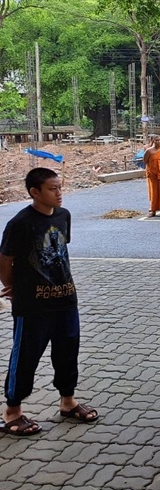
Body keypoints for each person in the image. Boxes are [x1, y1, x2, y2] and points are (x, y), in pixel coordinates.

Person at [0, 168, 98, 436]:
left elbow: (61, 251)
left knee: (67, 353)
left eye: (60, 187)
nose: (59, 193)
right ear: (35, 192)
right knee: (26, 356)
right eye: (52, 189)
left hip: (66, 300)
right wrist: (12, 287)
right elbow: (5, 259)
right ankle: (12, 412)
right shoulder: (20, 223)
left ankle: (68, 402)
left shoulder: (63, 215)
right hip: (33, 306)